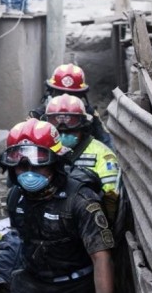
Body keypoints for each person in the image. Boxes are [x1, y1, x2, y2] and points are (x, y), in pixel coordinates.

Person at [0, 118, 117, 293]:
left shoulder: (81, 201)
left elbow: (101, 256)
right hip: (31, 284)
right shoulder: (16, 197)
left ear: (55, 162)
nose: (28, 173)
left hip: (73, 291)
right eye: (20, 166)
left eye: (38, 165)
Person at [43, 94, 120, 224]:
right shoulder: (43, 150)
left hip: (86, 219)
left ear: (83, 127)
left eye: (69, 132)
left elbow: (110, 196)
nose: (63, 135)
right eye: (58, 132)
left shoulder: (101, 153)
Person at [30, 63, 115, 150]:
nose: (65, 98)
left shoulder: (89, 114)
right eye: (60, 93)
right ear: (51, 92)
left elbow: (106, 141)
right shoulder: (38, 115)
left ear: (81, 95)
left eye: (73, 94)